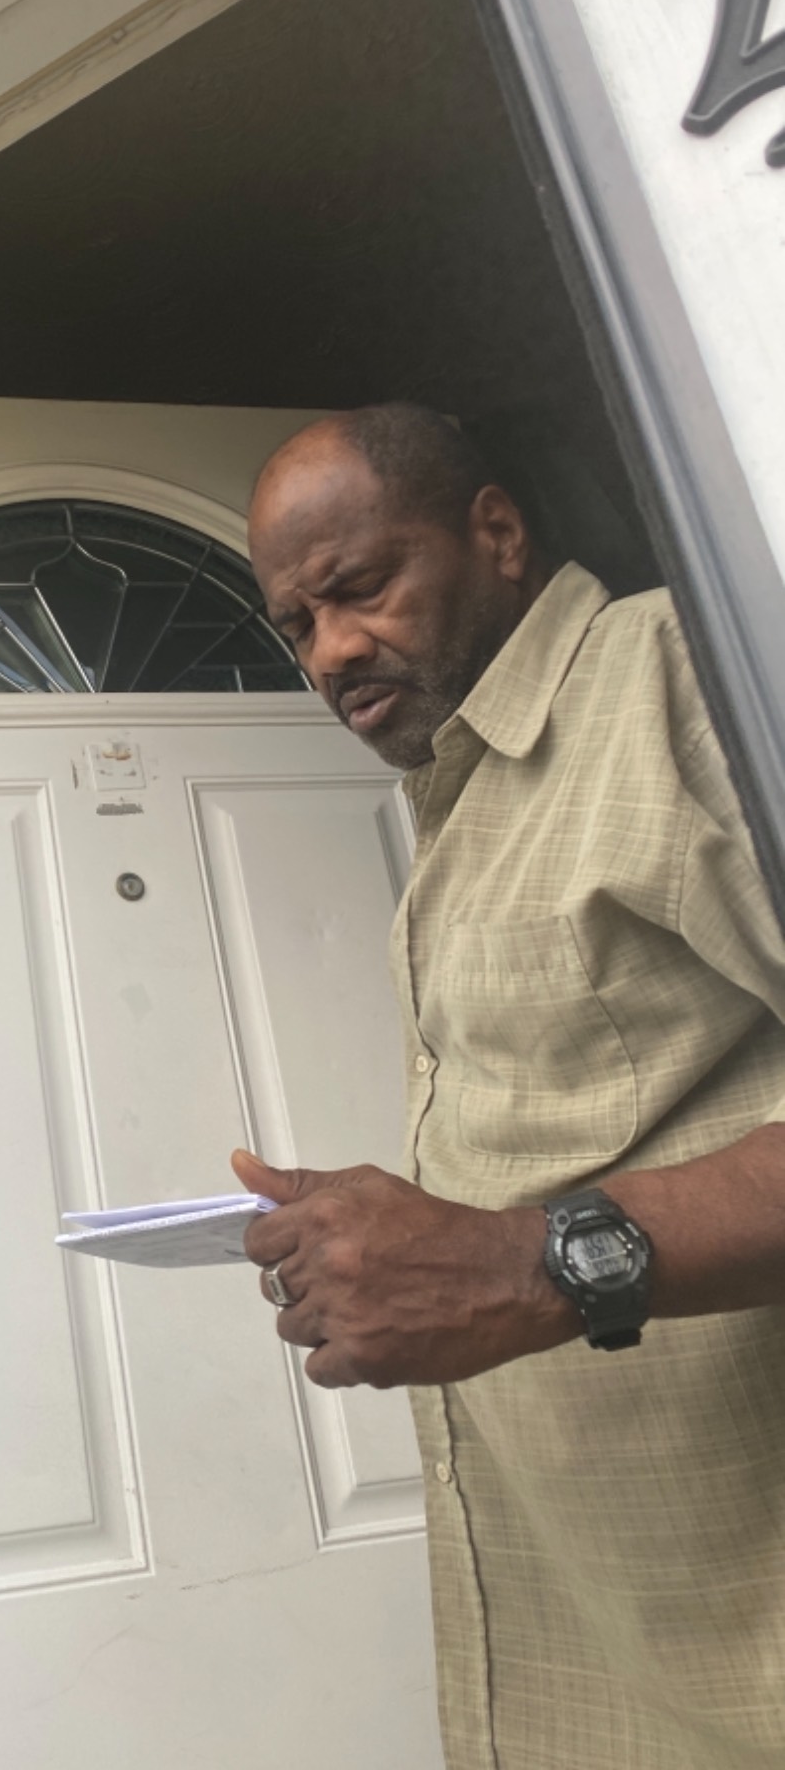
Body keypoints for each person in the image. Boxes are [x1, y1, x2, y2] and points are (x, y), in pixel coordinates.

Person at [234, 403, 785, 1770]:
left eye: (361, 587)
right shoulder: (456, 792)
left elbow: (523, 1249)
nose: (331, 653)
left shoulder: (684, 679)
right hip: (611, 1629)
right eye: (296, 625)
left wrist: (528, 1260)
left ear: (496, 533)